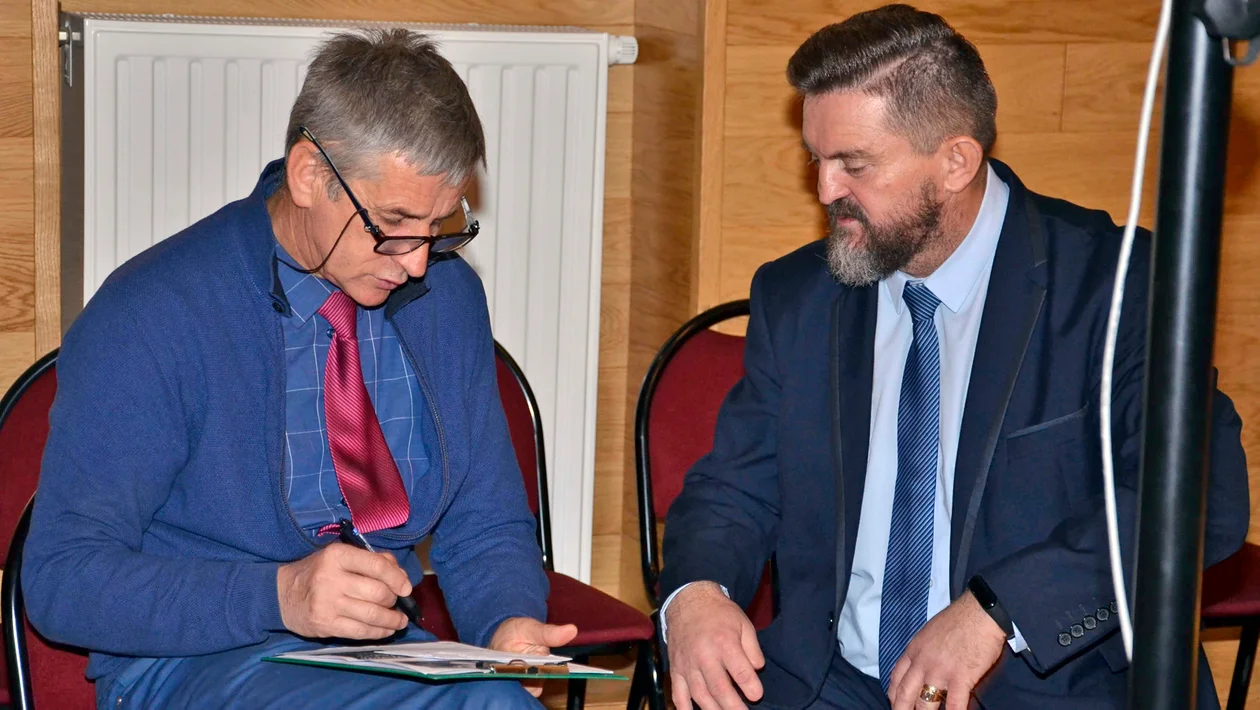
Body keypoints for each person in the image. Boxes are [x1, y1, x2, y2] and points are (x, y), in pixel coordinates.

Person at [659, 5, 1249, 710]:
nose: (825, 190)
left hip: (1042, 690)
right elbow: (733, 489)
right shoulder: (799, 296)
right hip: (833, 684)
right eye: (816, 159)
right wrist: (694, 595)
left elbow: (1200, 499)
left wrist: (998, 610)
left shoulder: (1118, 285)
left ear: (956, 161)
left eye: (854, 164)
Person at [22, 29, 576, 709]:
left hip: (383, 654)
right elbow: (62, 579)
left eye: (438, 227)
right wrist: (278, 595)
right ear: (311, 174)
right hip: (189, 663)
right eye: (395, 222)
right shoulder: (158, 311)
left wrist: (507, 622)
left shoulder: (445, 301)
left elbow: (485, 522)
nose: (417, 262)